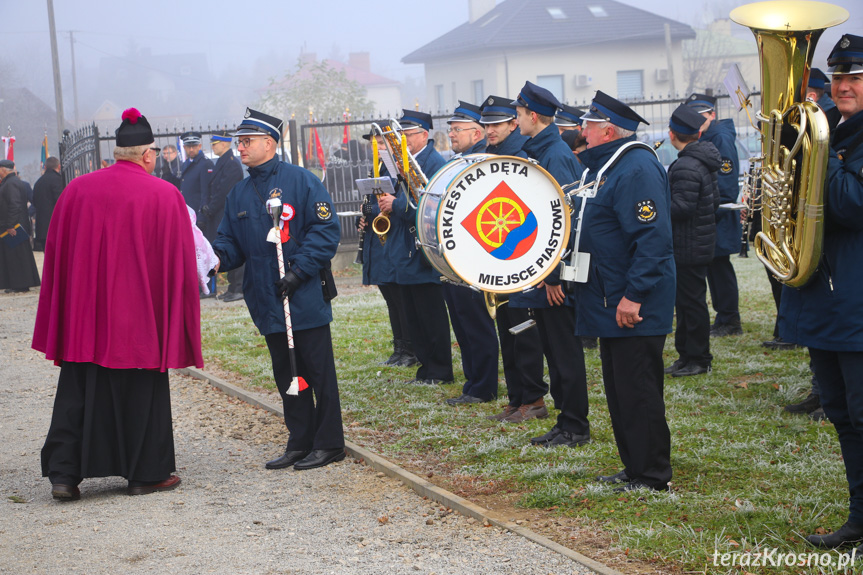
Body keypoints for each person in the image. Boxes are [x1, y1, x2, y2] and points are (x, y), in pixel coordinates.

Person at [34, 108, 202, 500]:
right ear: (148, 155)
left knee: (78, 390)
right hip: (140, 319)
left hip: (86, 318)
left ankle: (65, 475)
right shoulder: (165, 195)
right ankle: (146, 474)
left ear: (117, 151)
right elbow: (179, 263)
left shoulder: (76, 190)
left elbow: (56, 253)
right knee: (142, 392)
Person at [211, 108, 345, 471]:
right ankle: (299, 440)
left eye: (247, 141)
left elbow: (325, 231)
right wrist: (214, 258)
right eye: (239, 142)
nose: (240, 147)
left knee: (318, 371)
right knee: (287, 371)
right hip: (267, 298)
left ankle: (330, 442)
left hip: (302, 293)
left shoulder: (301, 181)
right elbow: (230, 243)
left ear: (269, 144)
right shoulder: (238, 193)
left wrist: (299, 272)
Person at [780, 34, 863, 555]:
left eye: (855, 78)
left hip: (856, 303)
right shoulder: (837, 132)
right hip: (825, 299)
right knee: (841, 414)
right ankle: (859, 520)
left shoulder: (834, 137)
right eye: (838, 77)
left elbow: (852, 204)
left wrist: (820, 146)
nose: (843, 86)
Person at [575, 90, 675, 491]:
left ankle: (652, 476)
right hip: (609, 299)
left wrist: (634, 295)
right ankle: (634, 468)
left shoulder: (635, 169)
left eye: (589, 125)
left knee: (640, 393)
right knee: (621, 394)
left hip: (632, 303)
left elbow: (652, 240)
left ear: (609, 130)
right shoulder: (609, 167)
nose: (582, 130)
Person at [504, 81, 590, 449]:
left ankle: (575, 426)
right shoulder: (541, 149)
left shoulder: (555, 154)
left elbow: (566, 222)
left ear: (533, 115)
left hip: (555, 276)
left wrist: (553, 275)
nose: (516, 120)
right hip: (542, 270)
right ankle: (564, 422)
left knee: (564, 352)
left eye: (519, 114)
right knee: (553, 352)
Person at [377, 110, 453, 386]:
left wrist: (395, 205)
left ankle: (439, 369)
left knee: (429, 314)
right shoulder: (404, 162)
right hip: (404, 245)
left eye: (408, 135)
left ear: (424, 134)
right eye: (401, 136)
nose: (403, 141)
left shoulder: (431, 163)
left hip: (422, 249)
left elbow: (431, 208)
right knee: (413, 313)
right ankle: (426, 367)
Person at [442, 101, 500, 405]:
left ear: (475, 131)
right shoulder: (463, 159)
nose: (451, 134)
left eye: (456, 129)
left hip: (475, 255)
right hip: (456, 254)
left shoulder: (482, 160)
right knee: (463, 322)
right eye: (450, 129)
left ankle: (484, 386)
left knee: (477, 324)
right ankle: (472, 381)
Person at [663, 104, 721, 377]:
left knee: (691, 304)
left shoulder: (687, 164)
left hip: (688, 245)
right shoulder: (699, 159)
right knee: (686, 304)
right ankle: (686, 355)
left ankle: (698, 357)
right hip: (694, 243)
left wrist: (659, 206)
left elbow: (682, 207)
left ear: (673, 134)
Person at [357, 128, 416, 368]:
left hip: (394, 240)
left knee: (401, 298)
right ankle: (399, 347)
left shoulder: (399, 170)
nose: (377, 147)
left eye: (381, 142)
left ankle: (410, 348)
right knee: (391, 298)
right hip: (378, 239)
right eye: (374, 142)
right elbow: (372, 204)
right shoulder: (377, 168)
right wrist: (364, 217)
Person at [685, 93, 743, 338]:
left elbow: (727, 182)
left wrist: (711, 210)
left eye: (702, 116)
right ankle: (724, 317)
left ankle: (730, 319)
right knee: (715, 268)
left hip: (718, 213)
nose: (698, 121)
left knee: (720, 268)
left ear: (712, 114)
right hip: (712, 213)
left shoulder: (719, 137)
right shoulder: (710, 135)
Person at [203, 131, 244, 301]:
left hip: (228, 212)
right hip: (221, 213)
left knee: (234, 248)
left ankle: (239, 287)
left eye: (215, 144)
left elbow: (223, 192)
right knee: (227, 249)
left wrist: (211, 209)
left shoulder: (232, 164)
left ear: (225, 144)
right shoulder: (223, 161)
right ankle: (232, 286)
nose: (212, 146)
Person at [0, 159, 41, 293]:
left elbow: (15, 204)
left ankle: (20, 284)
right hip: (17, 224)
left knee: (17, 256)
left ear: (3, 170)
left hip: (15, 226)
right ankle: (18, 283)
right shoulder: (14, 182)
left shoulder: (11, 184)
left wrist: (10, 225)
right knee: (17, 255)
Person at [179, 132, 214, 224]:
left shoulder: (205, 164)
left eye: (194, 146)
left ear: (199, 146)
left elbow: (206, 192)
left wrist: (201, 217)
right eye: (188, 146)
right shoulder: (186, 163)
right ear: (184, 147)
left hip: (197, 213)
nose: (191, 149)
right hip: (188, 211)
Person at [32, 156, 65, 252]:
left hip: (42, 227)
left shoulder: (38, 182)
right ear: (59, 166)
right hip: (56, 225)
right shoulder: (59, 180)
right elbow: (61, 201)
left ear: (45, 167)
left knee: (48, 256)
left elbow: (34, 202)